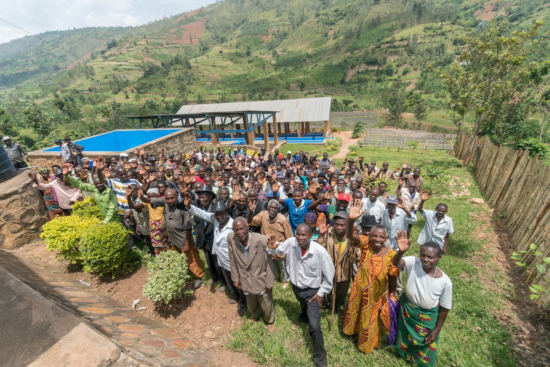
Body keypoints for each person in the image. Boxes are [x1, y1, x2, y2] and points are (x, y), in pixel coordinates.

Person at [267, 223, 335, 367]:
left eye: (304, 235)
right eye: (298, 234)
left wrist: (321, 293)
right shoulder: (291, 243)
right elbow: (276, 251)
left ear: (311, 235)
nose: (300, 237)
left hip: (313, 292)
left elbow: (330, 277)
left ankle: (320, 360)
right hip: (297, 287)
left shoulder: (320, 252)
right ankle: (304, 315)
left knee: (315, 327)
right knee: (302, 304)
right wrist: (271, 248)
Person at [342, 201, 400, 354]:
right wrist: (351, 220)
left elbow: (393, 275)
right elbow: (350, 235)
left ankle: (365, 345)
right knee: (355, 310)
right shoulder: (366, 244)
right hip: (359, 288)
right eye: (374, 235)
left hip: (376, 295)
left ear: (386, 237)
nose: (377, 239)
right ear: (370, 235)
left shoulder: (391, 254)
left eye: (381, 237)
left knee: (370, 318)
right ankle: (352, 332)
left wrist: (392, 293)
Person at [391, 231, 453, 367]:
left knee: (426, 342)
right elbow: (395, 263)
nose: (425, 259)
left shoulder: (445, 281)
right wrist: (401, 252)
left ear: (439, 258)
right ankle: (401, 353)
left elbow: (445, 307)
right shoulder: (414, 262)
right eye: (422, 255)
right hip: (407, 309)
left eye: (430, 257)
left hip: (427, 317)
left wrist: (436, 330)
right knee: (403, 334)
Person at [186, 196, 246, 315]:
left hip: (232, 260)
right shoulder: (216, 220)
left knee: (237, 281)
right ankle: (235, 295)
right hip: (221, 258)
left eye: (221, 213)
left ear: (226, 212)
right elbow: (202, 213)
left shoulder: (233, 225)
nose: (219, 216)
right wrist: (188, 206)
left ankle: (243, 301)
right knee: (228, 279)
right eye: (217, 214)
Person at [140, 187, 204, 289]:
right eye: (167, 198)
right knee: (179, 259)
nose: (170, 201)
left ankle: (198, 276)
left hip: (184, 239)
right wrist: (141, 196)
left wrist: (187, 243)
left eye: (172, 198)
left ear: (177, 196)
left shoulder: (183, 206)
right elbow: (149, 200)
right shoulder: (164, 202)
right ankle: (185, 273)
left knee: (192, 259)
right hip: (173, 239)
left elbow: (188, 227)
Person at [228, 218, 276, 332]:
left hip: (261, 278)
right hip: (245, 278)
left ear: (247, 227)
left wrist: (269, 281)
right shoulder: (231, 238)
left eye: (241, 229)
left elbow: (269, 263)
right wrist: (235, 278)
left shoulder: (262, 240)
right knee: (250, 300)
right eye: (236, 230)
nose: (239, 232)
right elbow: (232, 259)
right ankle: (255, 315)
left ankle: (270, 320)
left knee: (265, 302)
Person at [316, 211, 356, 316]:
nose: (338, 227)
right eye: (337, 224)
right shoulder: (328, 233)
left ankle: (337, 305)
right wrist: (321, 235)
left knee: (341, 292)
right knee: (326, 289)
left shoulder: (352, 237)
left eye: (342, 225)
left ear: (347, 225)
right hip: (328, 270)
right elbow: (319, 249)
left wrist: (353, 242)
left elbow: (355, 258)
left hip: (345, 271)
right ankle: (326, 303)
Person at [247, 199, 293, 287]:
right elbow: (250, 222)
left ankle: (285, 281)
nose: (272, 210)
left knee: (282, 265)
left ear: (278, 209)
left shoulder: (282, 220)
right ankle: (275, 278)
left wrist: (288, 250)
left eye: (275, 208)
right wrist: (250, 211)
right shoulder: (263, 215)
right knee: (272, 265)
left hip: (280, 247)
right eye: (271, 207)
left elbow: (289, 236)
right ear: (268, 207)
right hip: (268, 247)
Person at [125, 184, 153, 255]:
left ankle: (154, 251)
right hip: (141, 222)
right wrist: (137, 226)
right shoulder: (131, 198)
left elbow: (139, 210)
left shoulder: (143, 198)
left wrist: (130, 209)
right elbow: (135, 213)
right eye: (130, 192)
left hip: (148, 221)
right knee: (146, 237)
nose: (132, 193)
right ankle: (151, 250)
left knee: (150, 237)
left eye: (133, 191)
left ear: (137, 190)